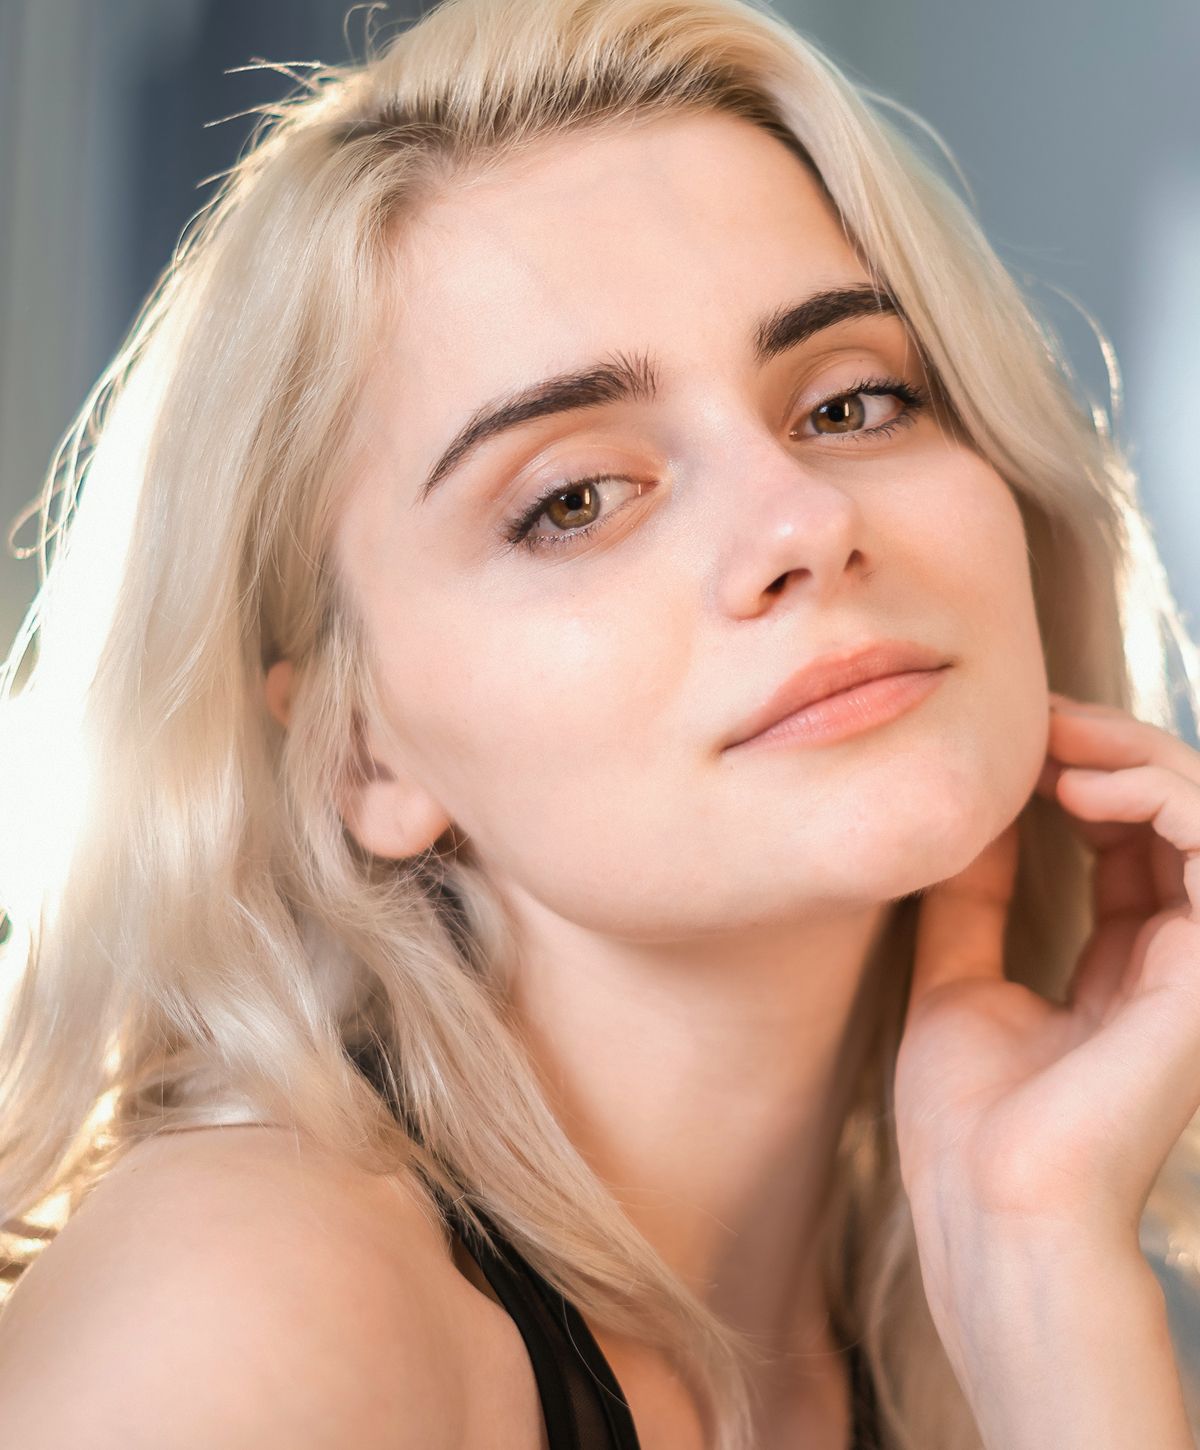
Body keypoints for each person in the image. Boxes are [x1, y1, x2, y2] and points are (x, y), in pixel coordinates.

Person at [0, 0, 1197, 1446]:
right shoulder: (252, 1298)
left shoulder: (951, 1312)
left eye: (853, 402)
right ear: (357, 751)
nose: (803, 521)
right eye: (573, 499)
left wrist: (1044, 1278)